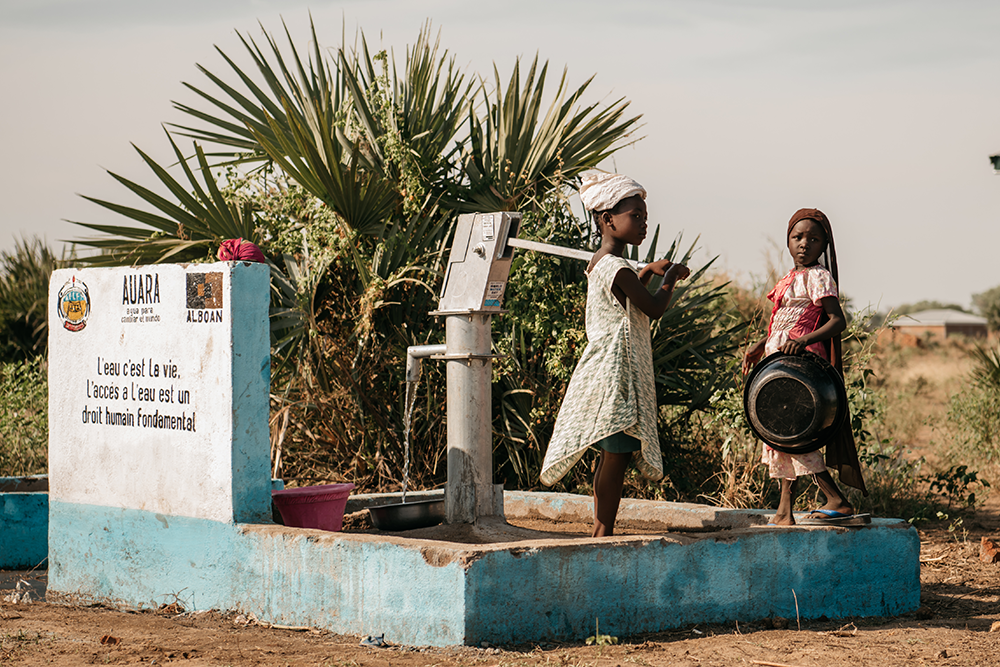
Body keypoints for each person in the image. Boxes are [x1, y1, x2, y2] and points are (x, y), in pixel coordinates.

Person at [540, 172, 690, 537]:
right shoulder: (617, 267)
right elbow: (652, 308)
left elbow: (623, 299)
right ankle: (602, 530)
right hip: (617, 375)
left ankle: (600, 527)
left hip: (611, 370)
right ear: (608, 220)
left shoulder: (604, 262)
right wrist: (669, 277)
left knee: (613, 453)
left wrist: (646, 272)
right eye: (635, 215)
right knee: (616, 455)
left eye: (644, 215)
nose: (643, 222)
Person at [742, 208, 869, 526]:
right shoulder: (788, 279)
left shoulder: (819, 277)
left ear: (824, 244)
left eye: (813, 238)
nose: (804, 244)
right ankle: (785, 511)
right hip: (779, 366)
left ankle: (836, 499)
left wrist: (805, 339)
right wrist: (761, 345)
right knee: (784, 436)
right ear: (788, 241)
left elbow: (838, 321)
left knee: (793, 435)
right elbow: (781, 324)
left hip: (802, 369)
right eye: (798, 237)